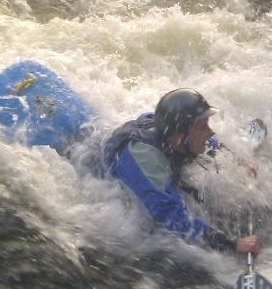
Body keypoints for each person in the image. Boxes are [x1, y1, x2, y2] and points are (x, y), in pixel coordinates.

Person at [100, 88, 261, 255]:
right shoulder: (147, 159)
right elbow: (171, 218)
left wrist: (237, 160)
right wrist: (231, 244)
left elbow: (207, 142)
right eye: (202, 127)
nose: (210, 132)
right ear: (178, 137)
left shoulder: (172, 131)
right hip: (108, 182)